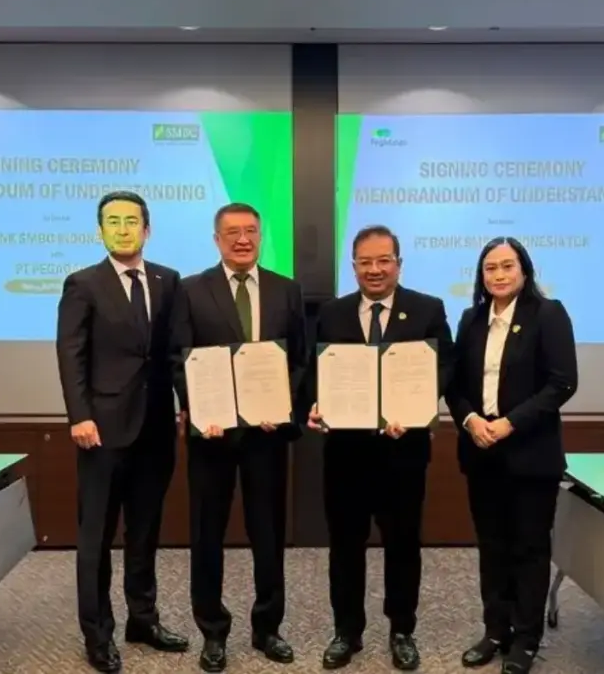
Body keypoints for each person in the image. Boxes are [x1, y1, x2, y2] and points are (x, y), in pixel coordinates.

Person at [305, 225, 454, 671]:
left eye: (383, 260)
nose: (374, 269)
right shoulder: (332, 313)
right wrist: (315, 404)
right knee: (344, 546)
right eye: (365, 262)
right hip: (346, 456)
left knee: (402, 544)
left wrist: (417, 406)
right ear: (353, 267)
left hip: (403, 454)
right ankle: (346, 631)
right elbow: (317, 371)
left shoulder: (427, 309)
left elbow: (445, 366)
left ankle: (401, 630)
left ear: (398, 264)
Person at [170, 202, 307, 673]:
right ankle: (212, 629)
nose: (243, 239)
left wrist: (281, 406)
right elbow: (178, 358)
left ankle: (268, 627)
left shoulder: (287, 290)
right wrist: (197, 407)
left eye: (251, 230)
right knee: (206, 533)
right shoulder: (190, 291)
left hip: (266, 437)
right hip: (211, 437)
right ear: (217, 239)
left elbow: (300, 360)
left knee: (268, 533)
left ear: (261, 235)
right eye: (232, 232)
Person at [56, 191, 189, 673]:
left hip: (156, 427)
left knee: (145, 531)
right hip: (102, 430)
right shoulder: (83, 284)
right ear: (100, 231)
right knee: (96, 536)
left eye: (131, 221)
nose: (122, 229)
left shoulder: (168, 280)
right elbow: (70, 353)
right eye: (112, 222)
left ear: (146, 229)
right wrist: (79, 415)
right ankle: (97, 635)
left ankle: (143, 619)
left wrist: (189, 404)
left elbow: (176, 352)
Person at [444, 237, 577, 674]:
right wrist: (470, 420)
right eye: (490, 268)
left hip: (530, 454)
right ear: (481, 275)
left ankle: (526, 639)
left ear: (524, 270)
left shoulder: (548, 314)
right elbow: (454, 384)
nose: (499, 275)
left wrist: (510, 423)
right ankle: (495, 631)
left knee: (530, 548)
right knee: (492, 547)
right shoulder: (471, 318)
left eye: (507, 266)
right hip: (481, 451)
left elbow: (562, 383)